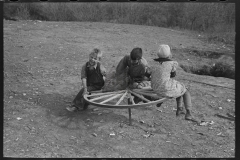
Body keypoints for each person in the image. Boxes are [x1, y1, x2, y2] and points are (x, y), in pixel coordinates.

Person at [150, 44, 196, 121]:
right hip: (165, 87)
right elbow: (173, 75)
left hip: (155, 87)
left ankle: (180, 109)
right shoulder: (172, 63)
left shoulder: (153, 63)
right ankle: (189, 113)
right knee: (185, 90)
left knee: (178, 87)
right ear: (169, 54)